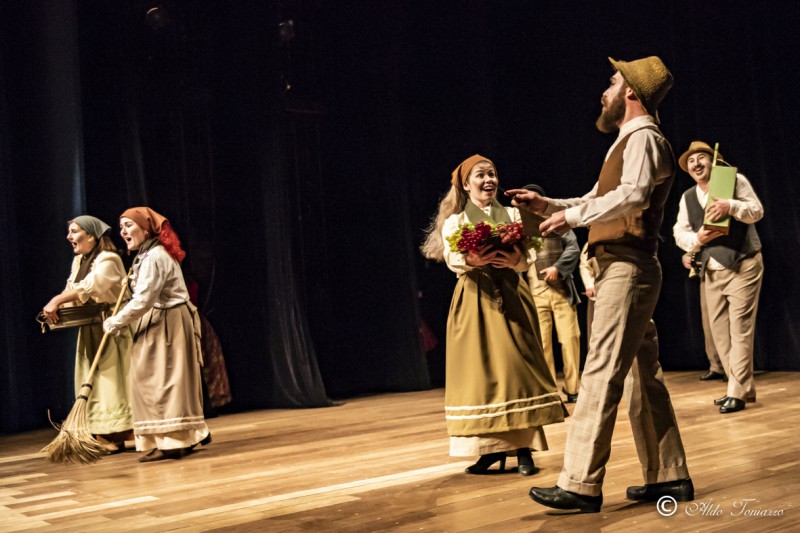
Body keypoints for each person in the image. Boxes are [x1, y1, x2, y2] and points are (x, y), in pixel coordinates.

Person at [507, 55, 693, 512]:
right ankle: (669, 475)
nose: (604, 92)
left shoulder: (645, 137)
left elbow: (633, 195)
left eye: (612, 83)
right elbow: (597, 197)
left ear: (631, 92)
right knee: (641, 376)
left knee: (601, 371)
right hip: (621, 265)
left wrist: (570, 218)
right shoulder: (627, 142)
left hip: (627, 266)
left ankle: (580, 483)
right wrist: (548, 206)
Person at [421, 154, 566, 477]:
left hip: (511, 294)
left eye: (492, 174)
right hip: (475, 297)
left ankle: (524, 448)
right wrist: (471, 259)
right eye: (481, 175)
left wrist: (515, 260)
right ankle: (489, 450)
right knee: (480, 374)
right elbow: (452, 258)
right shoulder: (457, 221)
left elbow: (530, 255)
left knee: (516, 370)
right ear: (466, 184)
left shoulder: (513, 214)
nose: (488, 180)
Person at [103, 207, 211, 462]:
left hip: (167, 322)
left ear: (146, 229)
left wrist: (116, 321)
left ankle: (172, 441)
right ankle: (182, 436)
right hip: (162, 319)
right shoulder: (147, 255)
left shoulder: (154, 257)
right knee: (160, 380)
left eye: (129, 225)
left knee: (163, 382)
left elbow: (144, 300)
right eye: (121, 227)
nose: (123, 231)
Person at [673, 141, 764, 413]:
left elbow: (757, 210)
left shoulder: (734, 181)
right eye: (691, 161)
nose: (696, 164)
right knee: (720, 333)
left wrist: (731, 206)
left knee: (740, 329)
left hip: (742, 264)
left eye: (702, 158)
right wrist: (697, 240)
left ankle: (736, 392)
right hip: (711, 271)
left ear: (713, 162)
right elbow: (680, 232)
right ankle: (740, 387)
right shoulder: (688, 197)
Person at [42, 215, 134, 454]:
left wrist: (57, 300)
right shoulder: (80, 261)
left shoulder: (109, 259)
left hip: (113, 328)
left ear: (91, 236)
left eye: (74, 231)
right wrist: (58, 308)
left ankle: (117, 432)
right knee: (94, 382)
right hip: (92, 327)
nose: (69, 237)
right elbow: (72, 288)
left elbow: (93, 285)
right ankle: (101, 433)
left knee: (113, 381)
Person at [522, 183, 582, 404]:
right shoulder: (520, 229)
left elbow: (573, 248)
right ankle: (549, 391)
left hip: (560, 292)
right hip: (535, 294)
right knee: (543, 345)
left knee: (570, 339)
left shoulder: (556, 222)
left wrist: (558, 267)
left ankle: (573, 388)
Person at [681, 252, 726, 382]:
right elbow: (696, 244)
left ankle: (731, 368)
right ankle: (717, 366)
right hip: (708, 269)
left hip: (728, 266)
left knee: (726, 322)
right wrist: (688, 255)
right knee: (708, 321)